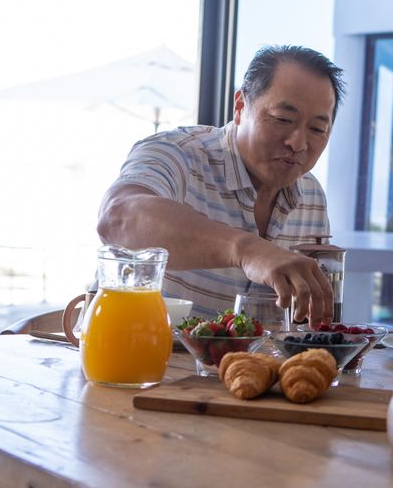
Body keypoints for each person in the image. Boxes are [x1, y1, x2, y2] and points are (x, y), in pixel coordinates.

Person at [97, 45, 343, 326]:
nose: (298, 143)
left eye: (317, 129)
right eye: (282, 120)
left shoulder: (311, 196)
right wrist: (248, 250)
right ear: (240, 107)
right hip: (142, 360)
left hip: (253, 369)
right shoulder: (178, 154)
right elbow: (117, 217)